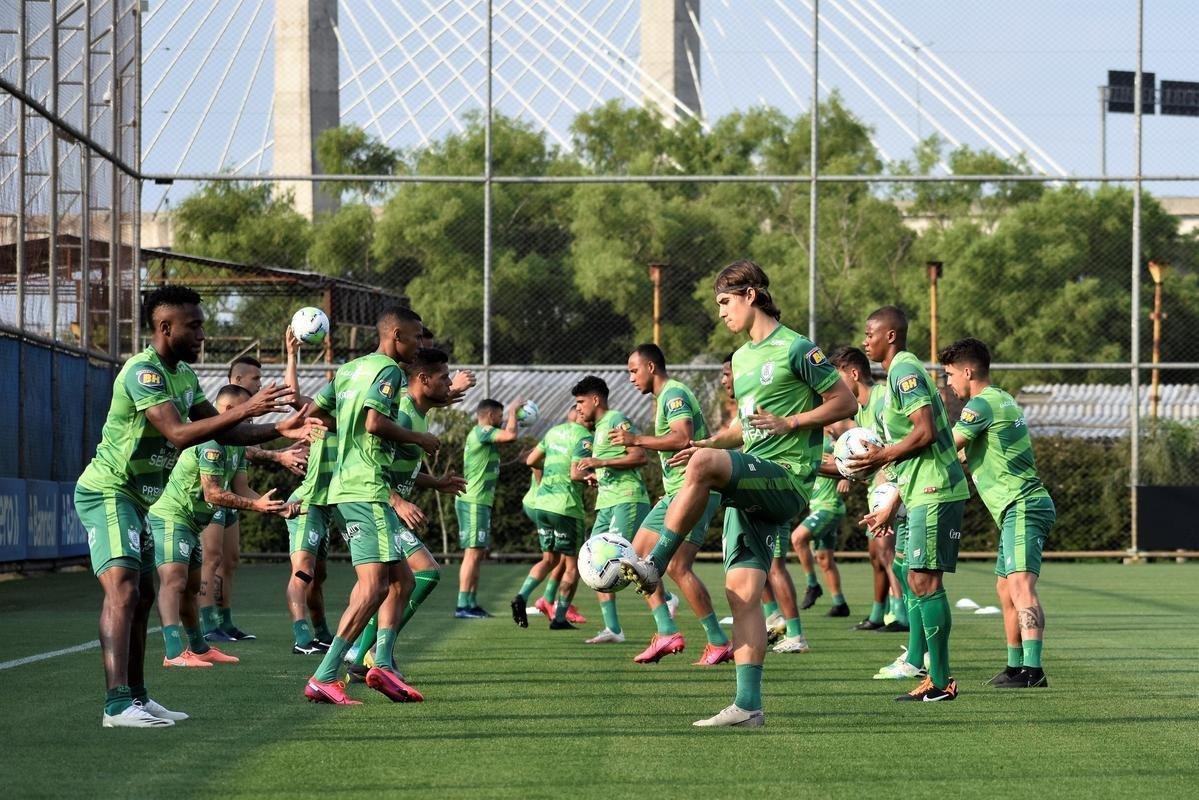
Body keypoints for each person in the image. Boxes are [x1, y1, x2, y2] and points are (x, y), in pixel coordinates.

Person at [623, 260, 856, 727]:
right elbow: (744, 429)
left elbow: (845, 402)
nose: (721, 312)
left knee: (706, 471)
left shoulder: (796, 347)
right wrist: (705, 444)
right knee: (742, 593)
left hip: (786, 478)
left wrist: (791, 422)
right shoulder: (745, 356)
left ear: (750, 295)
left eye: (725, 302)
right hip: (754, 485)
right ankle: (748, 706)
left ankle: (656, 563)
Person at [75, 284, 320, 728]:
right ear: (165, 327)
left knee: (144, 594)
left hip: (138, 499)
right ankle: (116, 707)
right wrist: (247, 413)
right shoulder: (143, 372)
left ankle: (139, 698)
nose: (203, 333)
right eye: (195, 325)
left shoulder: (184, 377)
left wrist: (278, 429)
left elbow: (221, 432)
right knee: (125, 590)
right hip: (108, 491)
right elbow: (179, 434)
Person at [302, 305, 436, 705]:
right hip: (368, 487)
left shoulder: (347, 370)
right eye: (415, 337)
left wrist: (342, 430)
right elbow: (375, 423)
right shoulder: (390, 372)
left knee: (404, 581)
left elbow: (316, 413)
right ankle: (325, 675)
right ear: (395, 335)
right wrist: (420, 440)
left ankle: (382, 665)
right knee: (375, 585)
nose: (419, 345)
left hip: (348, 486)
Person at [852, 306, 970, 702]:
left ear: (890, 336)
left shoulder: (903, 370)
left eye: (870, 333)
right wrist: (890, 504)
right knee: (915, 576)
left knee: (923, 580)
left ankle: (941, 681)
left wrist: (881, 455)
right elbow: (915, 448)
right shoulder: (898, 373)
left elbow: (925, 432)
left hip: (937, 491)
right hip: (922, 490)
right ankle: (935, 677)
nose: (865, 340)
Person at [149, 383, 298, 667]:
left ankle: (200, 647)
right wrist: (255, 506)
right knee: (175, 581)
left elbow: (243, 488)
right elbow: (213, 493)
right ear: (229, 411)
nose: (251, 424)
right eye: (248, 416)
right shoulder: (211, 442)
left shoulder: (235, 444)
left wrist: (278, 509)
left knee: (192, 587)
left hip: (192, 523)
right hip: (172, 517)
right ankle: (172, 652)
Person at [940, 337, 1054, 689]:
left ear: (968, 371)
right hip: (1015, 508)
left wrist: (895, 456)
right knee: (1005, 588)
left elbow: (947, 446)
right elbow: (970, 453)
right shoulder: (1001, 398)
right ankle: (1015, 665)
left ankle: (1033, 671)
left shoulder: (980, 406)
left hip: (1023, 504)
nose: (948, 383)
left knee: (1020, 585)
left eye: (949, 375)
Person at [613, 344, 731, 665]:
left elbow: (682, 437)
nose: (631, 378)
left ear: (651, 368)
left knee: (678, 567)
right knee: (634, 557)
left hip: (695, 491)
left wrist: (636, 440)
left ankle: (718, 641)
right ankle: (666, 630)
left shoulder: (673, 393)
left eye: (633, 371)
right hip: (675, 494)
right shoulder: (662, 398)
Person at [202, 355, 309, 643]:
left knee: (231, 559)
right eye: (256, 379)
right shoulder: (213, 428)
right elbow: (213, 486)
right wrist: (280, 455)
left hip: (226, 499)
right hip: (205, 501)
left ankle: (224, 622)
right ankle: (205, 623)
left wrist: (277, 507)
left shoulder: (238, 435)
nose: (260, 385)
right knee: (210, 557)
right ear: (236, 381)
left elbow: (243, 485)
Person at [828, 345, 905, 633]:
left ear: (854, 373)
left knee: (886, 549)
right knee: (876, 553)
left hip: (896, 485)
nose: (833, 385)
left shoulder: (884, 398)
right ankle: (878, 612)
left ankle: (901, 614)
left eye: (837, 378)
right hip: (878, 486)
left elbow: (897, 444)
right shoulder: (861, 410)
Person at [572, 375, 651, 644]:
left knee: (628, 562)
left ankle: (667, 602)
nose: (578, 408)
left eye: (581, 402)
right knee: (596, 564)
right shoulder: (600, 427)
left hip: (626, 499)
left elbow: (639, 456)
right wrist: (598, 475)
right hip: (606, 502)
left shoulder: (616, 418)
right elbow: (615, 463)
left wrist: (599, 461)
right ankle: (613, 629)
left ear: (596, 399)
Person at [282, 327, 339, 655]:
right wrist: (292, 355)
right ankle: (302, 638)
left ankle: (322, 634)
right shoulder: (323, 421)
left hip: (324, 508)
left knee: (318, 577)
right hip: (307, 503)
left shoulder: (358, 423)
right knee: (303, 571)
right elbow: (292, 398)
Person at [521, 408, 593, 630]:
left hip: (542, 503)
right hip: (565, 507)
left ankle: (522, 597)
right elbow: (575, 474)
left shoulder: (553, 432)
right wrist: (594, 475)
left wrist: (549, 473)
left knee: (551, 559)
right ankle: (559, 616)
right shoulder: (584, 437)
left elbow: (531, 460)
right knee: (572, 565)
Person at [455, 398, 521, 618]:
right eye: (501, 416)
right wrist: (513, 411)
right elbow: (511, 435)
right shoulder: (483, 430)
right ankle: (462, 605)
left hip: (480, 501)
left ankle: (471, 603)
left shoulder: (484, 436)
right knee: (472, 553)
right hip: (473, 501)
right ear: (491, 416)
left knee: (478, 553)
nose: (503, 420)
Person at [792, 433, 850, 618]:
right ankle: (840, 604)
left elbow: (852, 453)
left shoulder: (827, 438)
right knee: (824, 559)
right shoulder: (803, 437)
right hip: (817, 506)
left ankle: (812, 585)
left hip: (829, 506)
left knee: (798, 538)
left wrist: (846, 477)